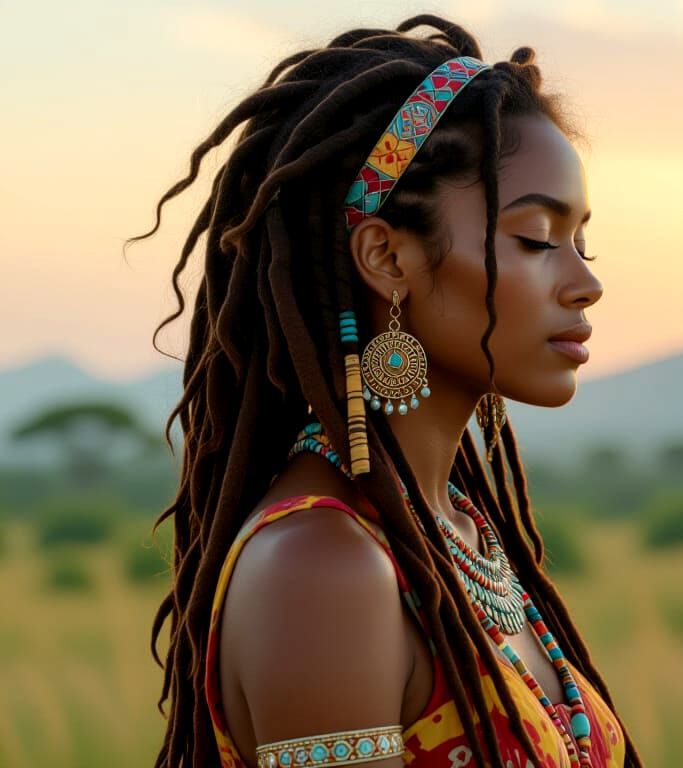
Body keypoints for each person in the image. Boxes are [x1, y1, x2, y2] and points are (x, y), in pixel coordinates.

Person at [130, 14, 640, 768]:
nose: (585, 283)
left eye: (581, 242)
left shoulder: (457, 530)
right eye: (536, 238)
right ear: (387, 258)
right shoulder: (320, 568)